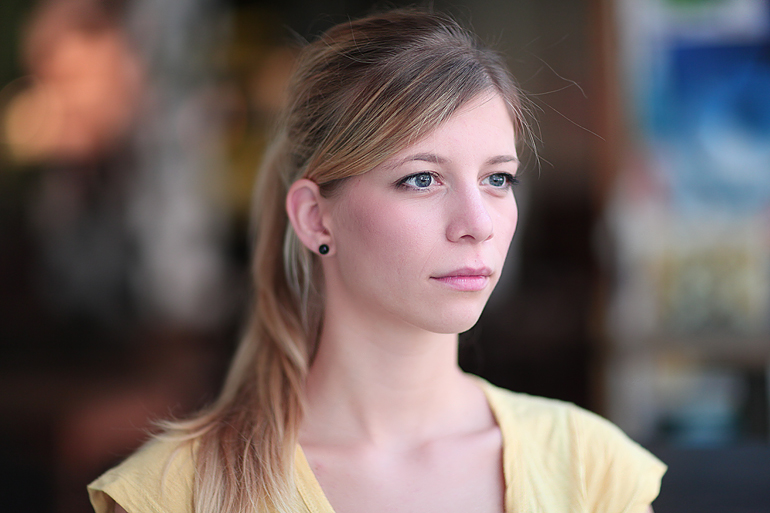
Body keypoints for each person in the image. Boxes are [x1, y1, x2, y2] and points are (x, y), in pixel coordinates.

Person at [88, 8, 666, 513]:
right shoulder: (176, 492)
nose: (478, 223)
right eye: (422, 179)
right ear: (315, 218)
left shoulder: (590, 470)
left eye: (497, 179)